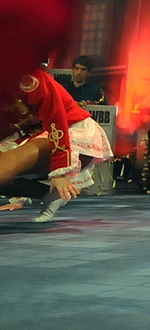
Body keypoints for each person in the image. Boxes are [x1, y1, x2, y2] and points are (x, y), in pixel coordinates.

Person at [0, 66, 113, 222]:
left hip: (72, 132)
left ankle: (53, 191)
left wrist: (59, 172)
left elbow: (56, 119)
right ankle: (50, 194)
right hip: (37, 134)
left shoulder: (29, 78)